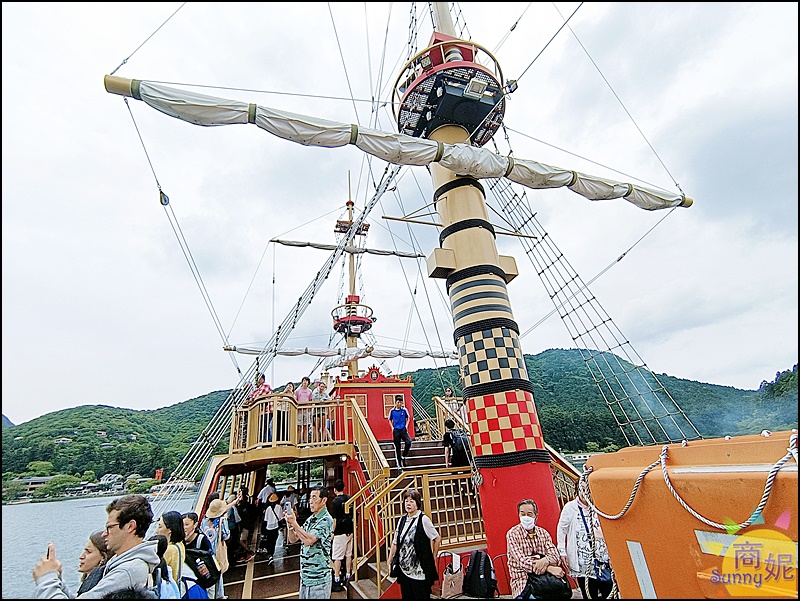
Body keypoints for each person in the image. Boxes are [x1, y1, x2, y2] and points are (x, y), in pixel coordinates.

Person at [33, 494, 159, 599]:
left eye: (109, 527)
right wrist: (57, 580)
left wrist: (46, 578)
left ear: (130, 526)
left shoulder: (127, 571)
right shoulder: (127, 563)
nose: (104, 534)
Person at [557, 482, 613, 599]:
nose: (584, 492)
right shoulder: (570, 507)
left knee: (609, 593)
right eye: (581, 489)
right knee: (589, 594)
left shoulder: (601, 506)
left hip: (603, 560)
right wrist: (562, 550)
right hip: (583, 562)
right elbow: (562, 529)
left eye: (587, 489)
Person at [386, 489, 441, 600]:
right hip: (404, 570)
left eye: (411, 501)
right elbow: (395, 542)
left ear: (417, 503)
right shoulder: (402, 520)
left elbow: (437, 538)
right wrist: (390, 558)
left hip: (419, 572)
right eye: (406, 501)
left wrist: (433, 556)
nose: (408, 504)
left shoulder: (423, 520)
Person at [506, 498, 564, 599]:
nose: (526, 517)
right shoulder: (512, 534)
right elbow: (522, 562)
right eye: (522, 514)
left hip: (546, 581)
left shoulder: (543, 533)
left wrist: (546, 560)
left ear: (536, 515)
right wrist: (549, 567)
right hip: (523, 583)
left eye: (529, 514)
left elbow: (556, 557)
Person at [285, 484, 333, 599]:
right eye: (310, 498)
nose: (310, 501)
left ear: (324, 500)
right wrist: (290, 526)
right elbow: (293, 539)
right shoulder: (311, 519)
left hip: (319, 580)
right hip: (305, 578)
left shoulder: (326, 519)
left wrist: (295, 523)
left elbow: (309, 540)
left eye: (314, 498)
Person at [200, 498, 230, 599]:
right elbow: (226, 536)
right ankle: (220, 595)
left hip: (206, 552)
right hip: (217, 552)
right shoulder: (222, 520)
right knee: (218, 572)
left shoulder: (204, 521)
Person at [330, 479, 353, 593]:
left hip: (339, 532)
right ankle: (348, 575)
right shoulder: (349, 498)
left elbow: (334, 520)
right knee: (348, 554)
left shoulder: (335, 502)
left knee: (337, 557)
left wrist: (332, 533)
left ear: (334, 490)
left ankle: (337, 578)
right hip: (349, 531)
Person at [154, 511, 187, 592]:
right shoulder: (180, 544)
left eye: (160, 527)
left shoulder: (169, 550)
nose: (156, 531)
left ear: (170, 530)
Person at [76, 531, 112, 595]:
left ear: (103, 557)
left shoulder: (97, 585)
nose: (81, 557)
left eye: (89, 552)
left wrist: (53, 575)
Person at [258, 492, 284, 562]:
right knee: (274, 541)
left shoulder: (268, 508)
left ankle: (270, 554)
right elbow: (281, 518)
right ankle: (272, 553)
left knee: (269, 541)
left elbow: (265, 520)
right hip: (275, 527)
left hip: (269, 528)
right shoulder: (279, 507)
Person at [388, 395, 412, 469]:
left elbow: (408, 418)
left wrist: (406, 426)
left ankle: (404, 455)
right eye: (398, 402)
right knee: (397, 447)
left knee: (408, 442)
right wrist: (392, 428)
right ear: (395, 403)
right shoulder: (392, 411)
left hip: (403, 429)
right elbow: (389, 419)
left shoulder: (404, 410)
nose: (399, 404)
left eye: (401, 403)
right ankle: (399, 464)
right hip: (396, 430)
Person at [295, 376, 314, 444]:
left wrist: (309, 408)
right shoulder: (297, 391)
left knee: (306, 427)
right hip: (299, 411)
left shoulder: (310, 391)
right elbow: (295, 399)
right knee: (299, 427)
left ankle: (305, 442)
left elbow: (311, 400)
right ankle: (298, 442)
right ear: (302, 382)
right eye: (304, 380)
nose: (305, 382)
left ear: (308, 383)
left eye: (306, 381)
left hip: (307, 411)